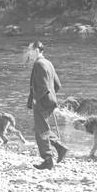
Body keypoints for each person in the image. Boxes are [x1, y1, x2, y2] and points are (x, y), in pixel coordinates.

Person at [25, 41, 71, 170]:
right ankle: (60, 148)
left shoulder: (39, 64)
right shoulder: (48, 63)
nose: (28, 52)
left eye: (30, 50)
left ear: (36, 50)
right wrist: (51, 96)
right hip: (50, 101)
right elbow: (57, 85)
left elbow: (42, 87)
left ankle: (48, 159)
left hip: (42, 101)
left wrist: (36, 99)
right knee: (41, 128)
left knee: (41, 131)